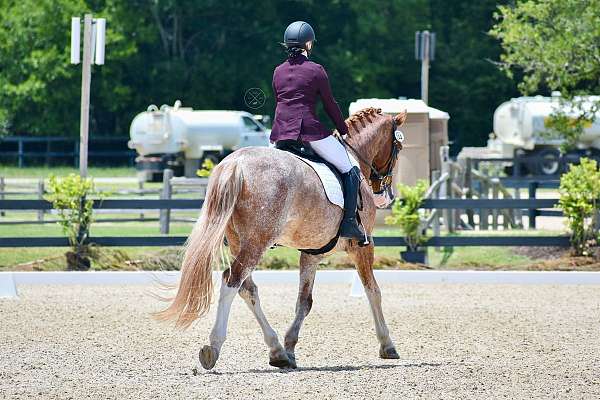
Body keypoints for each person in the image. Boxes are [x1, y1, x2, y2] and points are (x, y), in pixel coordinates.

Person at [271, 21, 366, 242]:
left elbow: (281, 102)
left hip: (280, 134)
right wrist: (343, 130)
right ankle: (349, 223)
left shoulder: (278, 71)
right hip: (308, 132)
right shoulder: (316, 70)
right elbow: (330, 105)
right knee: (350, 167)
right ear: (308, 44)